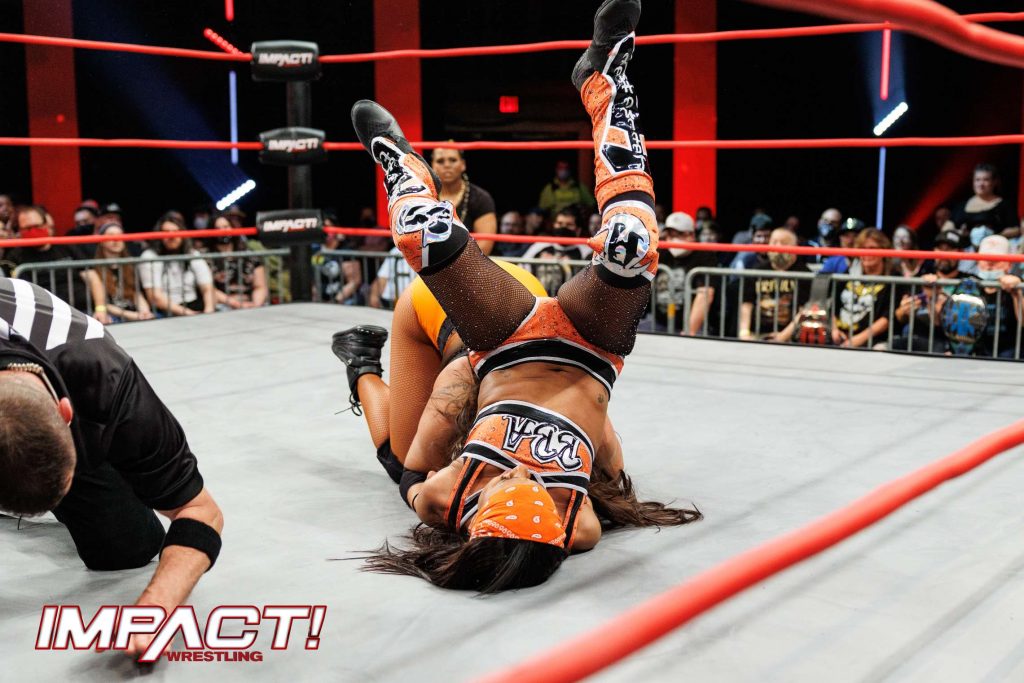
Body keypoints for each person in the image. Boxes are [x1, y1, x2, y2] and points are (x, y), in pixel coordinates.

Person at [347, 0, 700, 592]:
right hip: (591, 349)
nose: (523, 479)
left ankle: (402, 170)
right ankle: (604, 83)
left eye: (506, 489)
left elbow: (414, 482)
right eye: (536, 494)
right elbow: (598, 468)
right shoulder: (577, 524)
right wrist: (595, 436)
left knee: (422, 238)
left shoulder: (450, 488)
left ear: (474, 519)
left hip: (498, 343)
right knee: (632, 245)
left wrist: (436, 503)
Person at [0, 276, 223, 657]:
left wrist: (157, 608)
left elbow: (200, 509)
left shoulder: (103, 374)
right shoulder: (77, 391)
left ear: (67, 413)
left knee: (127, 547)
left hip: (66, 369)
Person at [332, 258, 547, 483]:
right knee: (402, 464)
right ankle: (361, 361)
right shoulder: (456, 394)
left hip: (515, 285)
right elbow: (413, 475)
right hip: (443, 295)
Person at [7, 205, 109, 321]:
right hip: (45, 317)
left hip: (84, 311)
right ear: (20, 230)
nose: (33, 231)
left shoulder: (66, 246)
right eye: (27, 228)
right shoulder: (15, 256)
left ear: (46, 224)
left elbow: (92, 277)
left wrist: (101, 309)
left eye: (36, 226)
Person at [889, 229, 964, 354]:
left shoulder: (967, 283)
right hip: (917, 339)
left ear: (961, 252)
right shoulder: (921, 278)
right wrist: (903, 311)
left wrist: (938, 298)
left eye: (950, 249)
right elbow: (898, 317)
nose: (944, 254)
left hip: (949, 343)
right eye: (940, 248)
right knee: (890, 345)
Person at [738, 228, 811, 341]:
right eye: (774, 242)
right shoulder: (757, 271)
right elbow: (746, 304)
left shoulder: (805, 274)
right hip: (757, 334)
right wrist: (744, 333)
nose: (778, 247)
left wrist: (782, 337)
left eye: (784, 243)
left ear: (795, 247)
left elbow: (804, 311)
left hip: (791, 338)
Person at [832, 228, 899, 348]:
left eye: (872, 248)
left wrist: (858, 340)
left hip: (872, 340)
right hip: (841, 336)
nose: (867, 253)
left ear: (883, 250)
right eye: (863, 248)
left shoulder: (893, 279)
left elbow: (887, 318)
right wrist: (834, 330)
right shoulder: (849, 272)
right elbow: (832, 305)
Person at [138, 213, 215, 316]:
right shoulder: (149, 256)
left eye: (176, 231)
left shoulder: (192, 253)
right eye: (166, 232)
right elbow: (155, 297)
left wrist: (209, 311)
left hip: (194, 305)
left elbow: (207, 287)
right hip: (166, 310)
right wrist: (189, 314)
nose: (172, 236)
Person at [655, 211, 717, 334]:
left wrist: (689, 331)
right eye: (670, 234)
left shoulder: (704, 254)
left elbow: (705, 294)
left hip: (693, 325)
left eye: (679, 235)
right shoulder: (662, 251)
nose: (674, 239)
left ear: (692, 235)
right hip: (658, 322)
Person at [431, 147, 497, 255]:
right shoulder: (424, 196)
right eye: (440, 161)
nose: (447, 165)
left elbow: (485, 245)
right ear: (432, 166)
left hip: (470, 262)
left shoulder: (480, 198)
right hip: (430, 262)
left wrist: (455, 262)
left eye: (453, 160)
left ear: (463, 165)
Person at [520, 206, 593, 295]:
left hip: (570, 299)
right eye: (559, 223)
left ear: (578, 230)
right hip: (540, 297)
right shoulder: (540, 246)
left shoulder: (586, 251)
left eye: (569, 225)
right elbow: (522, 269)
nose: (563, 228)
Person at [93, 222, 154, 323]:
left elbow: (135, 293)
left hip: (133, 312)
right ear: (102, 241)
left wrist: (145, 311)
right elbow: (103, 304)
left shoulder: (129, 265)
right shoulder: (95, 268)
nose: (116, 239)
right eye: (111, 235)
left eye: (120, 235)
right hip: (113, 316)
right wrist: (134, 316)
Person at [951, 164, 1017, 236]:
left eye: (986, 180)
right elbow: (949, 226)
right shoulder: (961, 205)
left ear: (994, 182)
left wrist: (993, 236)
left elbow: (1016, 229)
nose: (981, 184)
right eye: (977, 180)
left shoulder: (1005, 205)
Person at [209, 233, 269, 310]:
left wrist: (255, 305)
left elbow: (260, 286)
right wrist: (237, 304)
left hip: (251, 304)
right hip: (224, 306)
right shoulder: (208, 258)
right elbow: (210, 290)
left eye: (226, 227)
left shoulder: (250, 256)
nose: (223, 231)